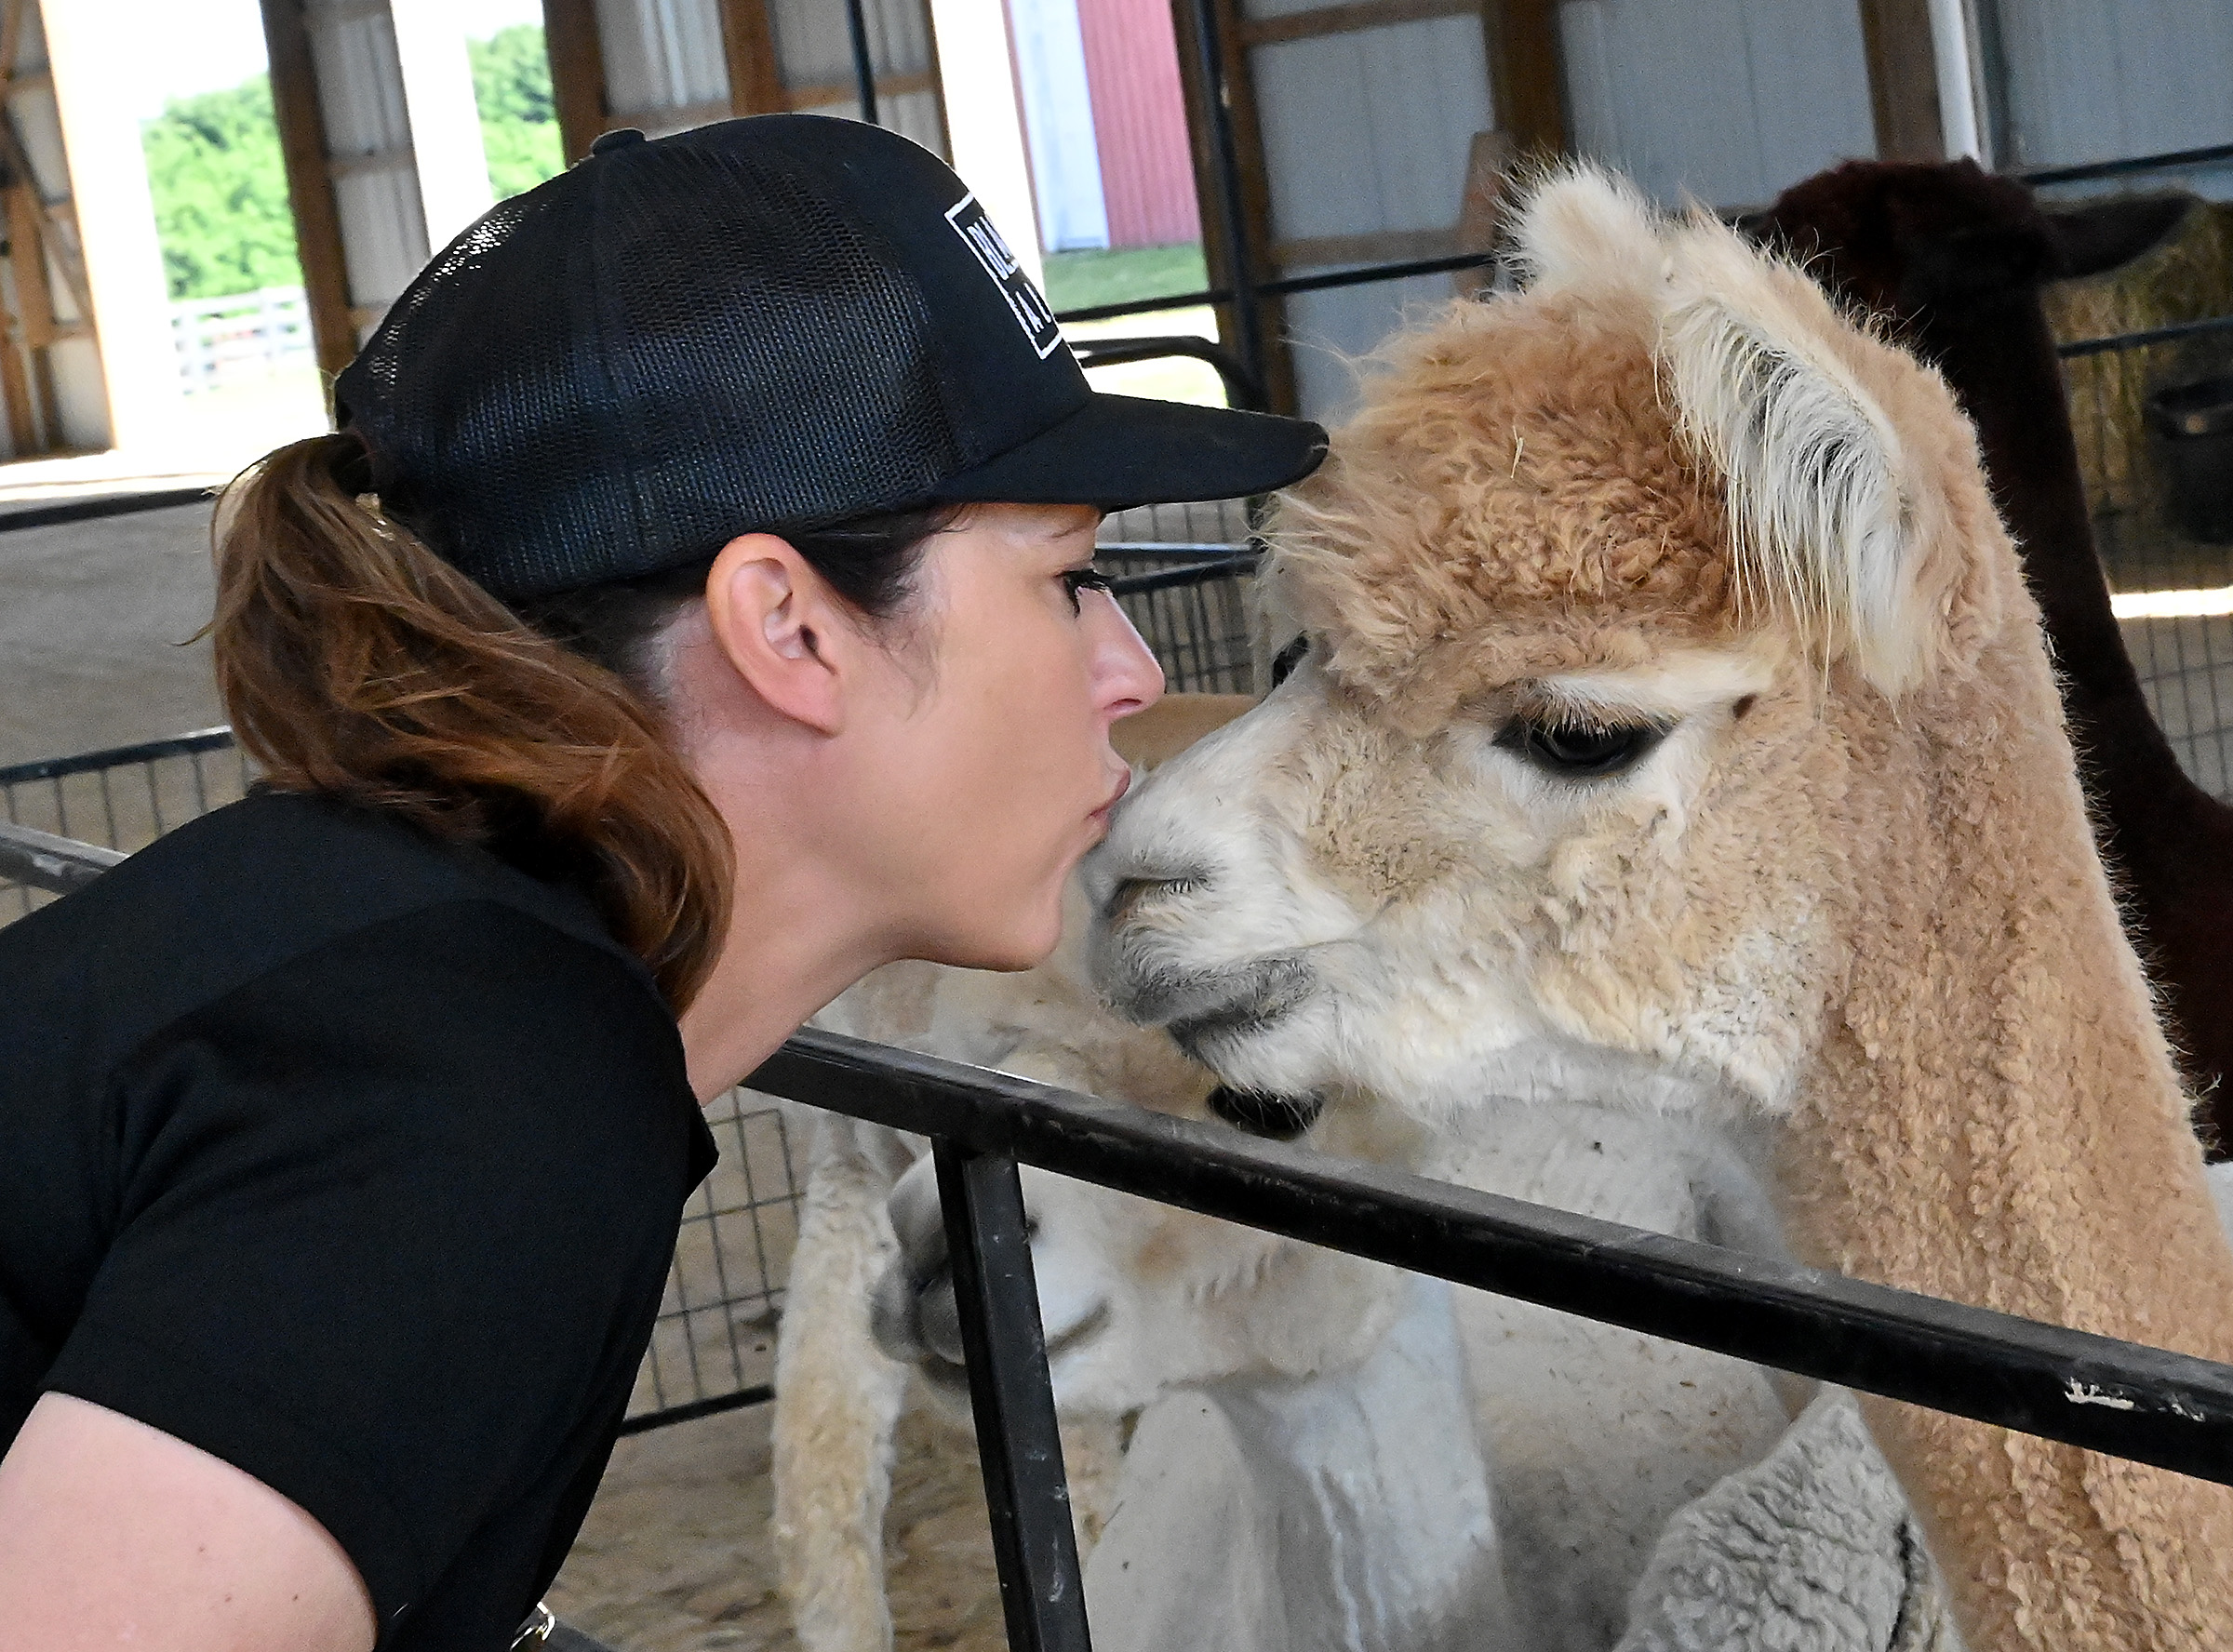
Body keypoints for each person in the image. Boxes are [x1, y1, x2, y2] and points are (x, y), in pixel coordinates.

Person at [0, 115, 1324, 1650]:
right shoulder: (471, 1094)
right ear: (792, 627)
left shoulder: (390, 942)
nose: (1132, 670)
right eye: (1066, 578)